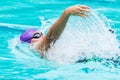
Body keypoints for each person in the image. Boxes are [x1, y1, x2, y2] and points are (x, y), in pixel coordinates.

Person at [20, 5, 91, 58]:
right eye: (37, 35)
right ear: (30, 41)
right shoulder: (35, 47)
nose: (43, 36)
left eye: (42, 34)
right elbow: (50, 37)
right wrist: (66, 13)